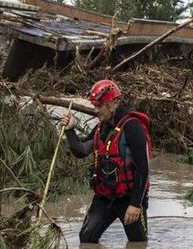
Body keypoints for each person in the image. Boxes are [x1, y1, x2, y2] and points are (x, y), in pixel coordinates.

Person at [60, 79, 151, 244]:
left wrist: (136, 205)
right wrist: (70, 130)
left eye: (99, 106)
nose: (96, 110)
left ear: (114, 103)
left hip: (130, 199)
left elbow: (144, 170)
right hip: (105, 197)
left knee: (138, 243)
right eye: (94, 105)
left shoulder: (133, 127)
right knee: (86, 238)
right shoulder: (101, 128)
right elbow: (80, 151)